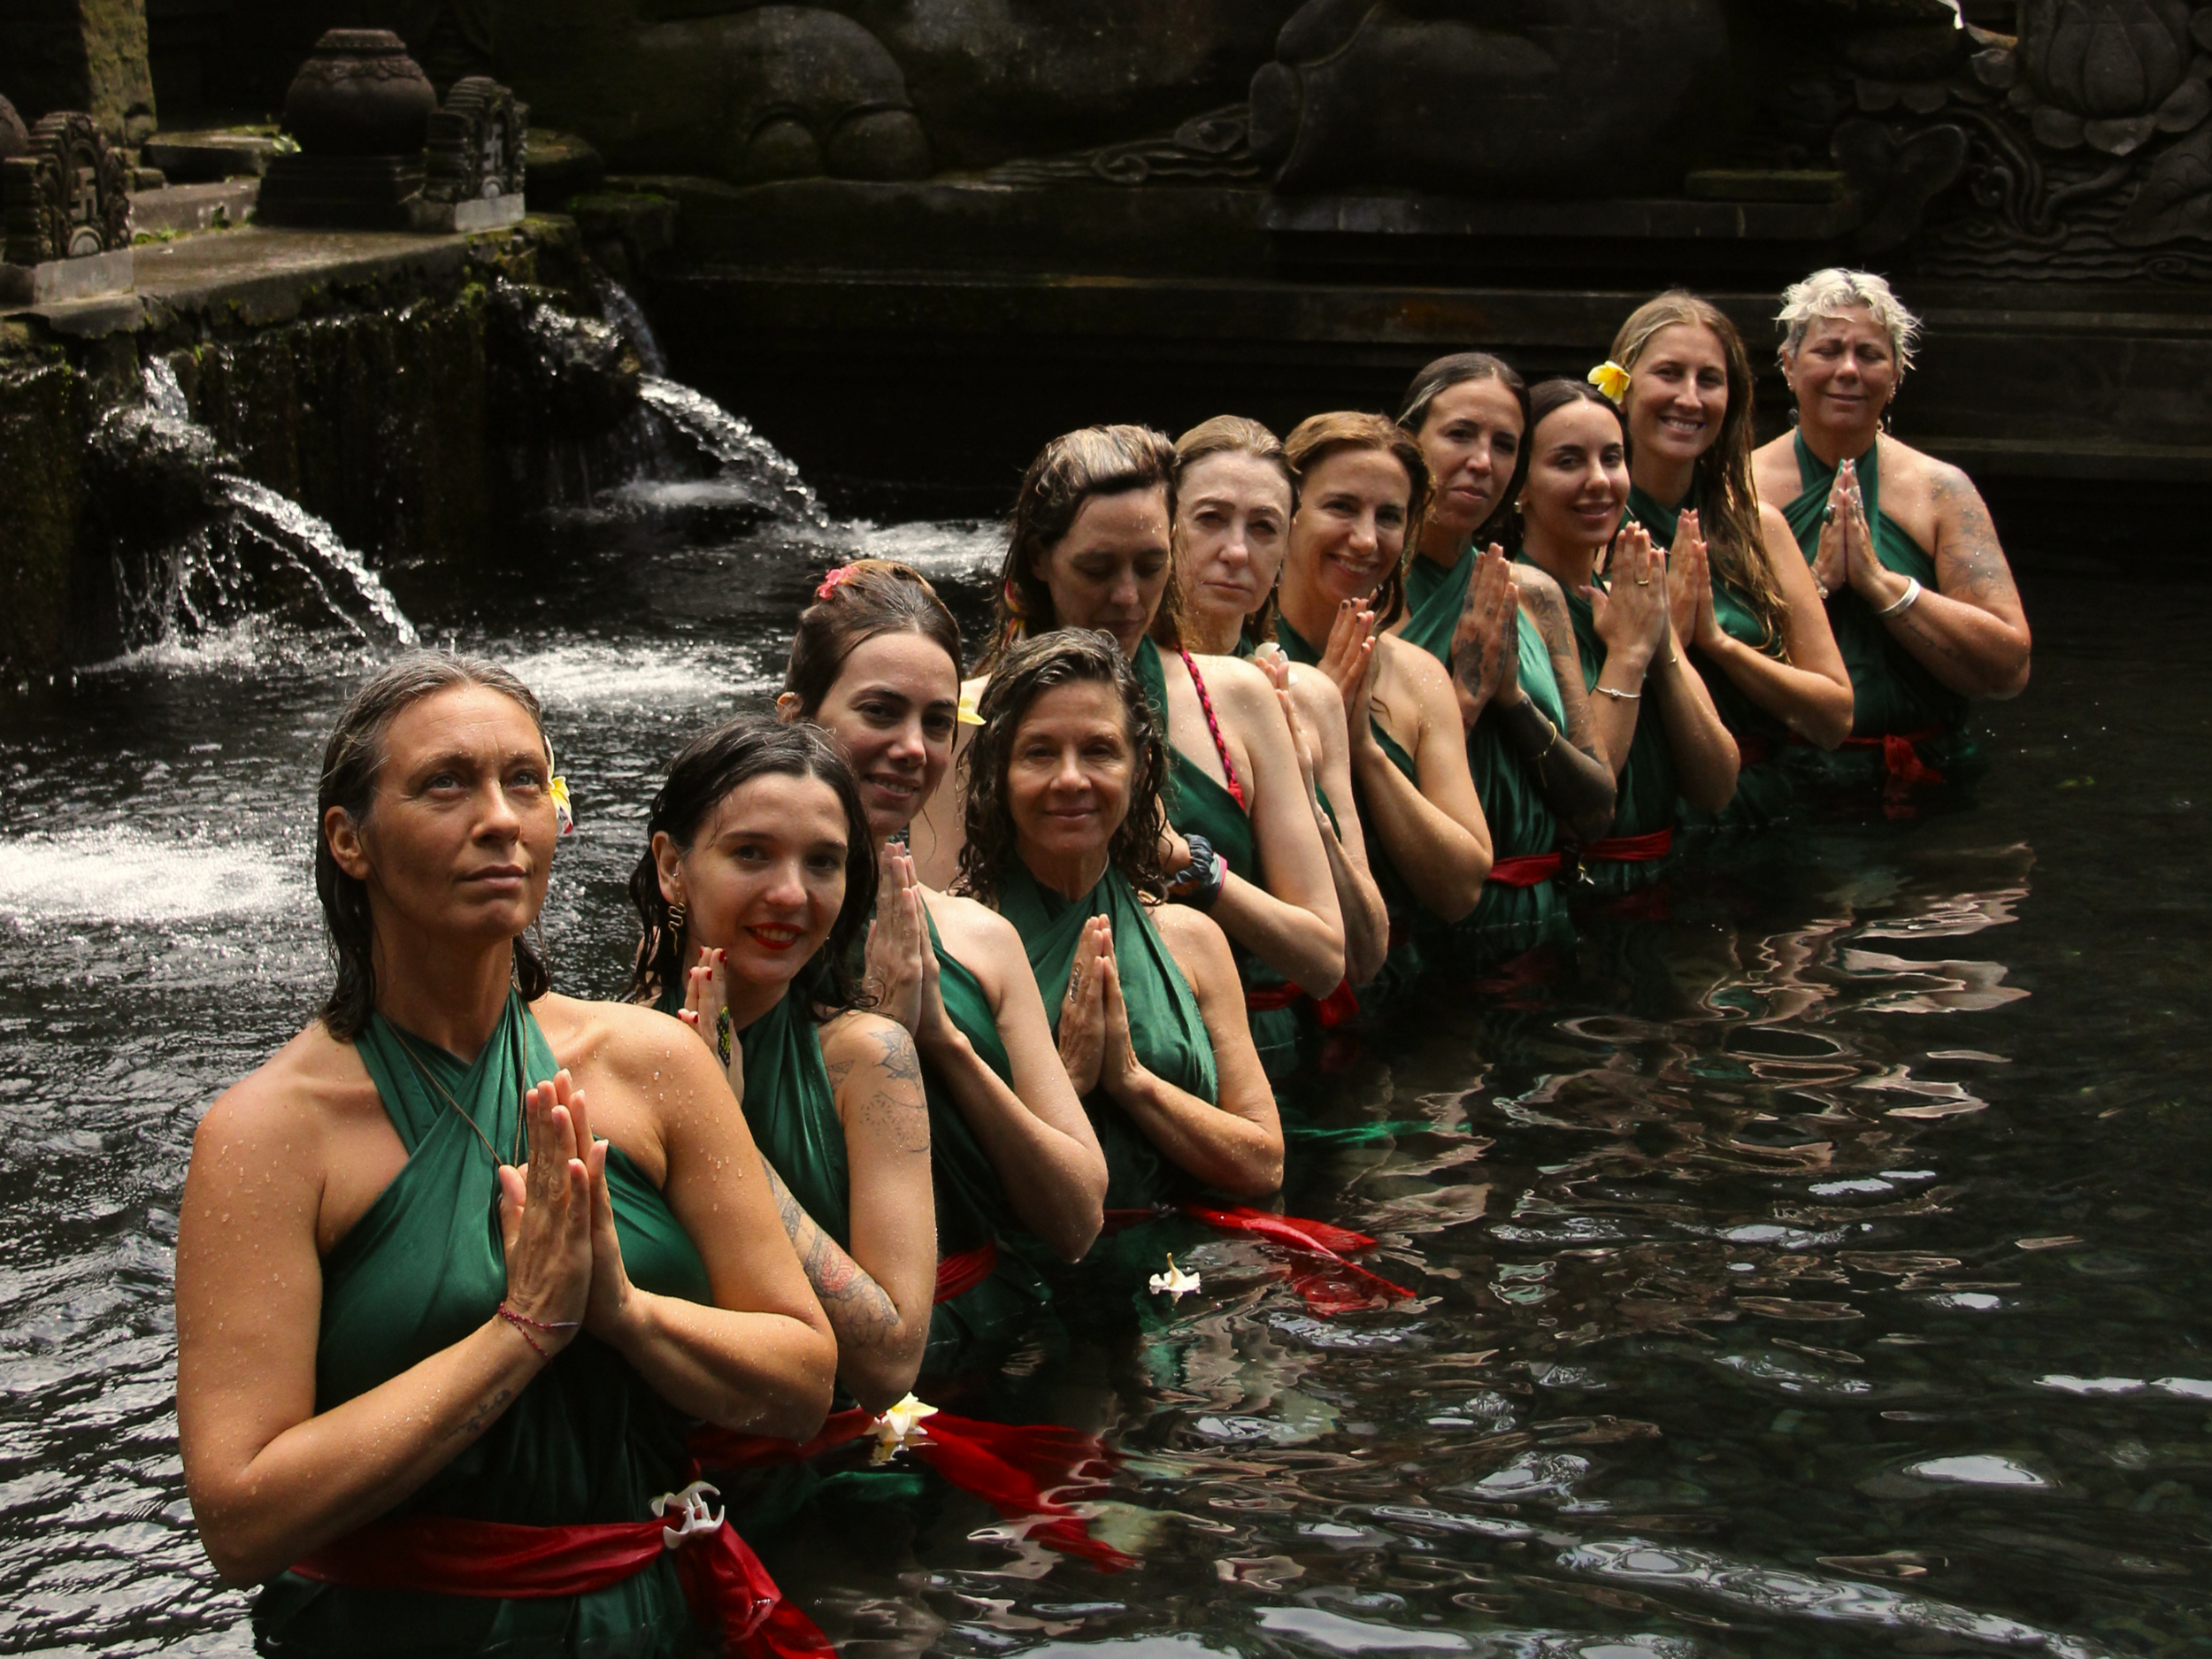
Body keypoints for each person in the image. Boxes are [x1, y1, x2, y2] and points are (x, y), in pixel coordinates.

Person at [177, 654, 838, 1655]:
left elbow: (801, 1386)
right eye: (447, 783)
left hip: (643, 1626)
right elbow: (240, 1520)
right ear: (349, 840)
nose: (501, 818)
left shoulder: (652, 1064)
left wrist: (623, 1312)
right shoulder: (268, 1133)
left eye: (525, 781)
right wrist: (521, 1332)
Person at [913, 425, 1348, 1066]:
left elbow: (1324, 958)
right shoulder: (969, 717)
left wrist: (1189, 864)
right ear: (1039, 558)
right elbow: (939, 944)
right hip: (1037, 1060)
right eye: (1096, 568)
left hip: (1248, 1058)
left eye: (1150, 566)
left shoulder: (1239, 698)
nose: (1126, 597)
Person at [773, 558, 1109, 1361]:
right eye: (880, 712)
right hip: (795, 1352)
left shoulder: (979, 942)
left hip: (987, 1343)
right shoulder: (722, 936)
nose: (911, 749)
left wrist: (942, 1042)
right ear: (795, 717)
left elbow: (1079, 1218)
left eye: (934, 721)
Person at [632, 716, 935, 1415]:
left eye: (823, 862)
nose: (793, 893)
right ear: (672, 866)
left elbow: (892, 1362)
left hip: (825, 1482)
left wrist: (718, 1131)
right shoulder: (610, 1045)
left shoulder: (869, 1059)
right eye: (751, 854)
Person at [953, 629, 1282, 1210]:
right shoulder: (954, 943)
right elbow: (942, 1181)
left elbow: (1265, 1163)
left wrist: (1132, 1081)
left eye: (1100, 750)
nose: (1071, 778)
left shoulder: (1195, 941)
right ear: (997, 771)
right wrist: (1069, 1083)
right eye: (1040, 752)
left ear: (1141, 765)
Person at [1752, 268, 2032, 804]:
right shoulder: (1741, 489)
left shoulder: (1942, 490)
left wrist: (1885, 587)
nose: (1848, 370)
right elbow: (1714, 652)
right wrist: (1819, 586)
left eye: (1870, 355)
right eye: (1828, 350)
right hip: (1791, 782)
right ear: (1788, 365)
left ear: (1897, 373)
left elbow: (2010, 667)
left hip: (1931, 770)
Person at [1164, 415, 1390, 1028]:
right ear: (1164, 525)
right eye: (1210, 519)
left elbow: (1365, 955)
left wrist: (1305, 789)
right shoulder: (1112, 681)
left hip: (1292, 1036)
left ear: (1286, 544)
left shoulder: (1310, 696)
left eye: (1262, 528)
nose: (1237, 551)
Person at [1395, 354, 1617, 958]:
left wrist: (1512, 700)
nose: (1481, 462)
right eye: (1460, 434)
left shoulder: (1534, 595)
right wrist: (1461, 705)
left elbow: (1597, 810)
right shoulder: (1367, 596)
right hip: (1424, 928)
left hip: (1542, 924)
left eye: (1505, 444)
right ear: (1409, 440)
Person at [1607, 291, 1853, 828]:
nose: (1690, 399)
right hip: (1633, 811)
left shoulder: (1760, 529)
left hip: (1759, 813)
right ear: (1620, 388)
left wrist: (1719, 645)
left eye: (1709, 380)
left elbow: (1835, 717)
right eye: (1669, 374)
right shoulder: (1587, 525)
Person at [1268, 411, 1493, 993]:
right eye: (1341, 507)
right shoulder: (1233, 661)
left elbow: (1463, 888)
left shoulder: (1417, 674)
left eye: (1389, 517)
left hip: (1407, 992)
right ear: (1287, 514)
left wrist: (1364, 748)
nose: (1367, 539)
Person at [1513, 380, 1740, 892]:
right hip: (1571, 893)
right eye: (1568, 462)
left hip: (1663, 883)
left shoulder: (1630, 598)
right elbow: (1590, 806)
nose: (1600, 481)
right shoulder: (1510, 598)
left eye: (1612, 459)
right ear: (1518, 486)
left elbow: (1718, 785)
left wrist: (1658, 650)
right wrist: (1629, 654)